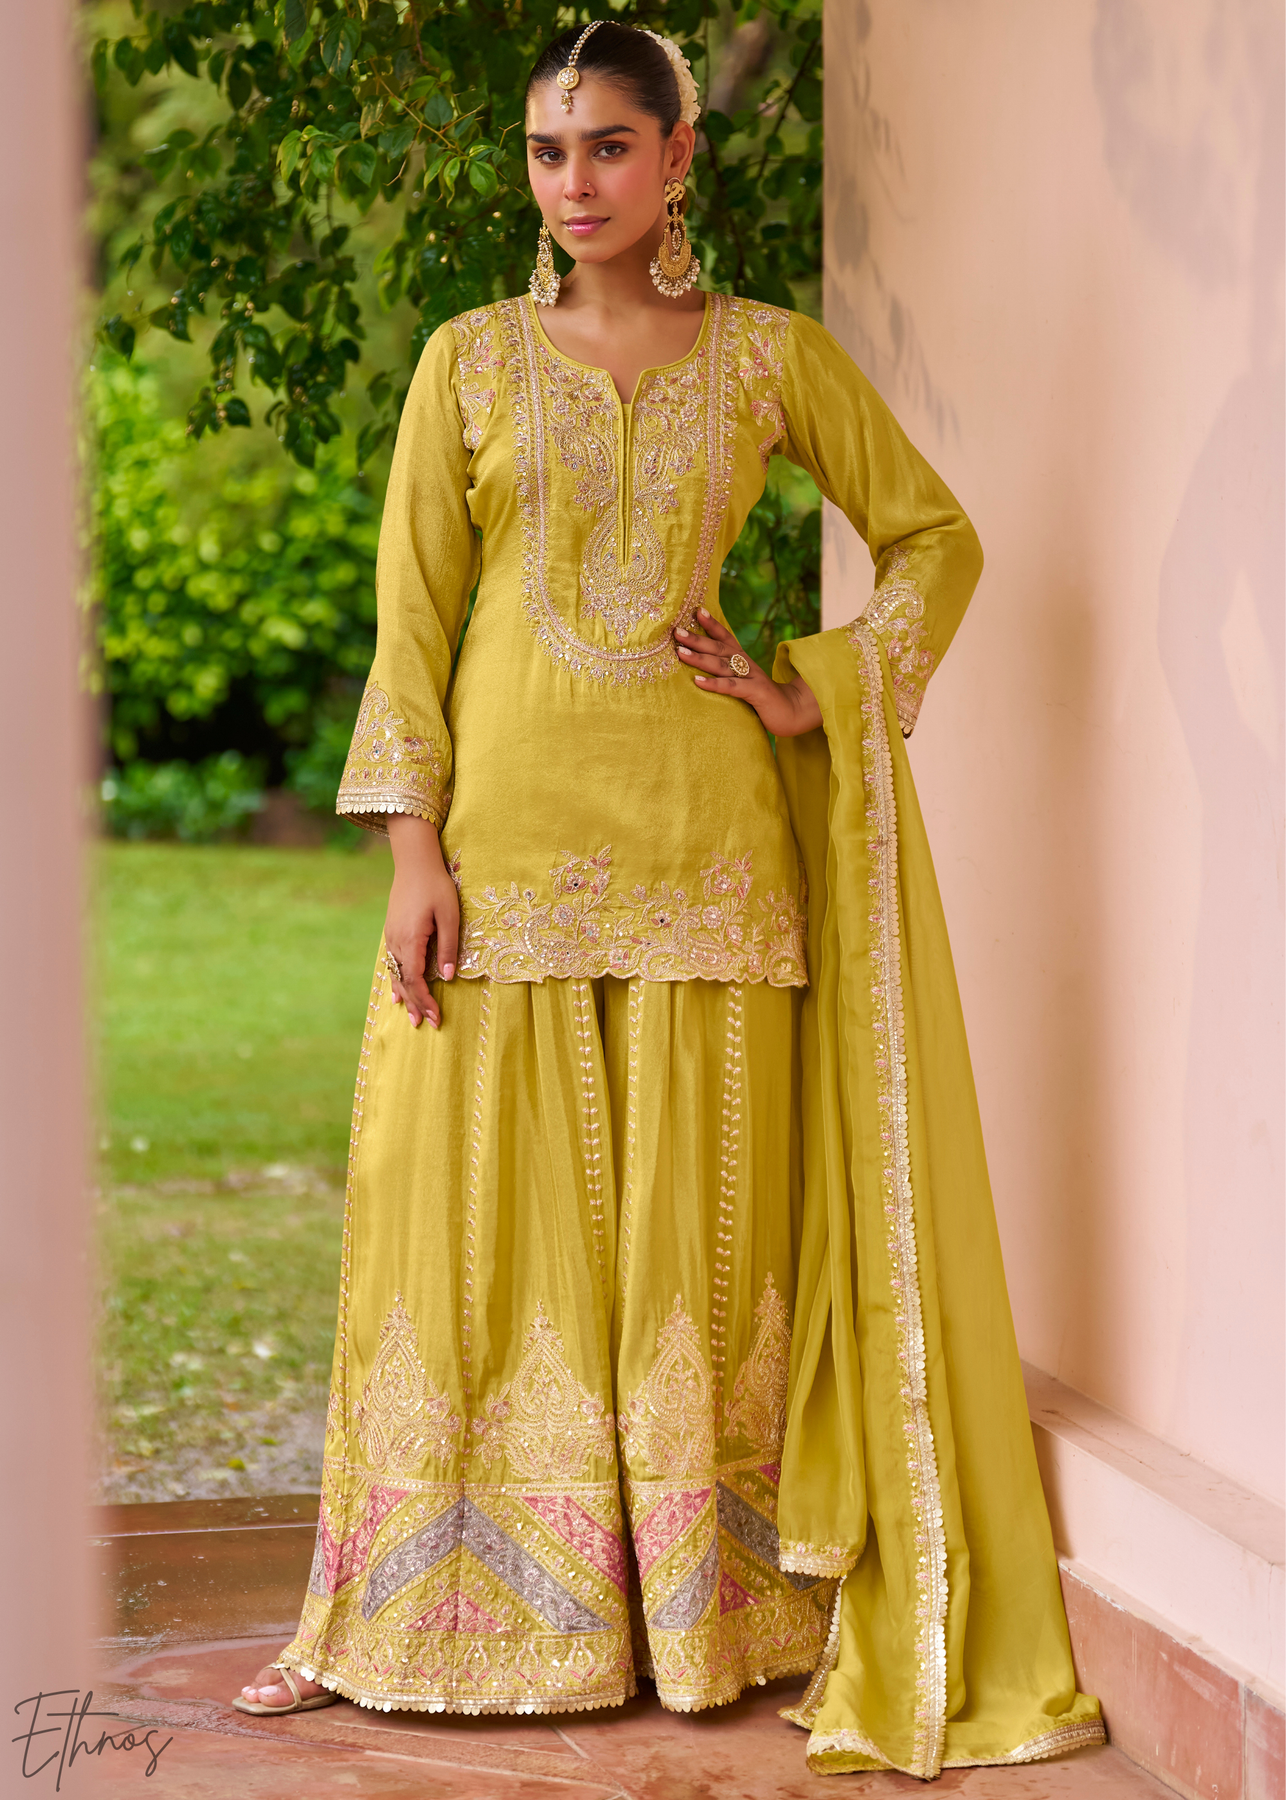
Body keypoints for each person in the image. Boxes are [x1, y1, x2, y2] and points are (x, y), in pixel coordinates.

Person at [235, 20, 1104, 1776]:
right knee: (459, 1237)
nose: (574, 183)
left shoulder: (769, 356)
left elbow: (934, 537)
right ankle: (409, 1608)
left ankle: (705, 1615)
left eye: (609, 148)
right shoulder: (468, 363)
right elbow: (413, 616)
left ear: (678, 156)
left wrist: (814, 689)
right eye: (548, 152)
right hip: (505, 858)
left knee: (698, 1262)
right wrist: (413, 853)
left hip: (709, 864)